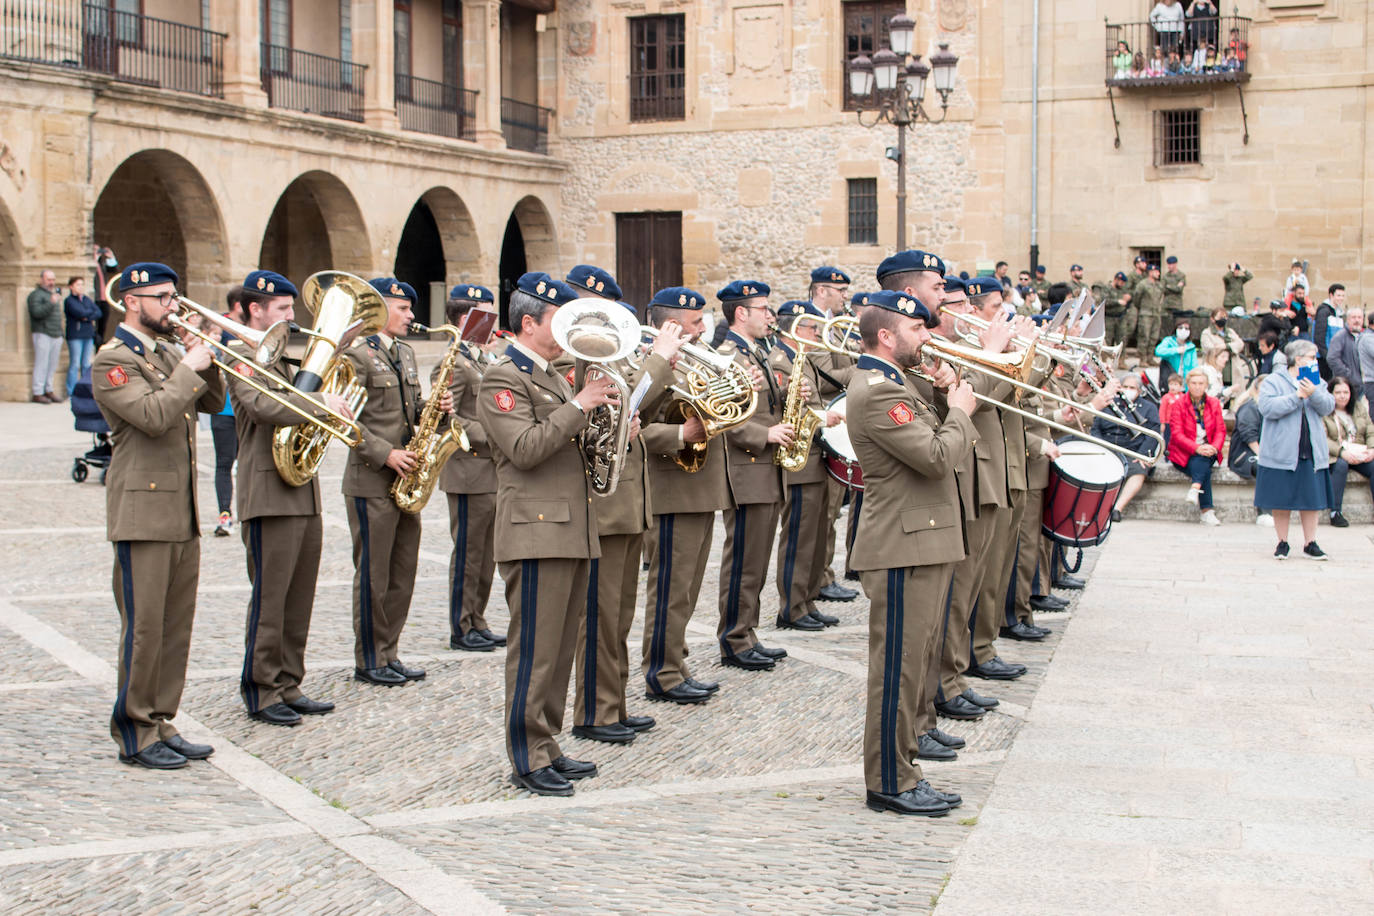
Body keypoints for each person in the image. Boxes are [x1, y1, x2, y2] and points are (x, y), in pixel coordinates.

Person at [477, 271, 617, 797]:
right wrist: (580, 406)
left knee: (559, 650)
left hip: (569, 528)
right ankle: (526, 756)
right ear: (529, 322)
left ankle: (548, 744)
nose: (571, 330)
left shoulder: (553, 374)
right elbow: (526, 449)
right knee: (534, 649)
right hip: (535, 531)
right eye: (562, 320)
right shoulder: (502, 377)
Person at [845, 288, 976, 817]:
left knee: (914, 662)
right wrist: (963, 411)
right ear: (886, 335)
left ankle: (905, 767)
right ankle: (890, 782)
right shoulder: (877, 391)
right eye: (918, 329)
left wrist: (947, 394)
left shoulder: (898, 383)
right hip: (902, 545)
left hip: (920, 539)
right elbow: (937, 456)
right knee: (897, 669)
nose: (928, 335)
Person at [92, 262, 225, 769]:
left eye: (175, 296)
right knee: (144, 626)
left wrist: (210, 352)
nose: (174, 306)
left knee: (175, 626)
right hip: (141, 512)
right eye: (163, 297)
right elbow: (152, 416)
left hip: (180, 509)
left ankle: (161, 717)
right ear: (133, 301)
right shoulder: (113, 361)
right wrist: (190, 366)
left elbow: (211, 401)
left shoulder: (169, 350)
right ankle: (134, 729)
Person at [226, 270, 345, 727]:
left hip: (299, 488)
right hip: (266, 492)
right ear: (254, 310)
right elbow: (264, 407)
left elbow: (299, 394)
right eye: (282, 309)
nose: (292, 318)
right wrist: (321, 404)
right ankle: (260, 688)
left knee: (298, 596)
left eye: (292, 309)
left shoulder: (278, 357)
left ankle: (288, 681)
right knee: (270, 598)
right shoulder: (239, 354)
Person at [569, 270, 682, 747]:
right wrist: (657, 361)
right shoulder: (581, 356)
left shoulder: (612, 354)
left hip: (630, 501)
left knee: (619, 614)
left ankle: (613, 703)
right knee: (599, 615)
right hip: (606, 504)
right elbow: (623, 397)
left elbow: (638, 409)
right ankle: (594, 710)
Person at [343, 278, 444, 686]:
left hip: (407, 480)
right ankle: (370, 658)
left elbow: (409, 411)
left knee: (403, 570)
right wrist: (384, 453)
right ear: (379, 308)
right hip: (371, 479)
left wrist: (436, 409)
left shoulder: (403, 352)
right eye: (402, 307)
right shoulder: (358, 356)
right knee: (373, 574)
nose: (410, 315)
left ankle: (390, 650)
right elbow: (344, 419)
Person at [639, 287, 729, 706]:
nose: (702, 328)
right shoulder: (648, 364)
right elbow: (634, 426)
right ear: (671, 325)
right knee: (671, 589)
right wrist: (682, 434)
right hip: (672, 489)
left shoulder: (696, 361)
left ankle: (677, 660)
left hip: (699, 487)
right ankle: (662, 671)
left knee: (688, 589)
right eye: (694, 322)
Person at [714, 280, 792, 671]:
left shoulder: (756, 352)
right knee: (744, 559)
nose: (769, 315)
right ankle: (734, 637)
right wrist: (765, 434)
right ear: (741, 313)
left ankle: (748, 631)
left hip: (764, 469)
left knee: (757, 559)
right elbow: (722, 416)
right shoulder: (727, 355)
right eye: (763, 308)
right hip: (746, 469)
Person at [437, 284, 505, 653]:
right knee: (468, 553)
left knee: (487, 554)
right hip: (467, 470)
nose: (493, 323)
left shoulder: (480, 358)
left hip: (489, 472)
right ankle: (461, 626)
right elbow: (447, 418)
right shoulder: (453, 361)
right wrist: (494, 435)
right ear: (466, 319)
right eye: (486, 315)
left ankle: (477, 619)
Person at [769, 300, 842, 631]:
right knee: (798, 535)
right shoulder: (779, 360)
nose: (818, 333)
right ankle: (792, 606)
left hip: (815, 455)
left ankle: (808, 599)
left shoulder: (801, 357)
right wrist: (821, 416)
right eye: (813, 328)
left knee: (814, 535)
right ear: (797, 329)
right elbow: (786, 410)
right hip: (799, 460)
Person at [1256, 340, 1336, 559]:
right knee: (1281, 499)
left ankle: (1311, 542)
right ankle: (1282, 542)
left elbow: (1328, 406)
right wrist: (1296, 397)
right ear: (1298, 358)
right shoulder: (1274, 381)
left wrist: (1314, 393)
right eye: (1312, 357)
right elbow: (1267, 408)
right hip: (1282, 451)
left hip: (1310, 449)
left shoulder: (1316, 380)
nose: (1315, 361)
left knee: (1311, 500)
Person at [1093, 373, 1161, 521]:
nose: (1128, 390)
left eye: (1132, 387)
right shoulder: (1108, 402)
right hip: (1106, 448)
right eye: (1125, 387)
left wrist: (1142, 453)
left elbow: (1153, 432)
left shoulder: (1149, 407)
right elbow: (1095, 427)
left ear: (1139, 390)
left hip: (1132, 450)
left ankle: (1117, 508)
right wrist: (1100, 448)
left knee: (1139, 469)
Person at [1163, 367, 1225, 526]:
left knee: (1203, 458)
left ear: (1206, 385)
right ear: (1188, 385)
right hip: (1183, 453)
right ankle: (1207, 511)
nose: (1197, 386)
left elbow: (1220, 431)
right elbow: (1176, 434)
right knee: (1202, 464)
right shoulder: (1179, 404)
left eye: (1201, 383)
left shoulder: (1214, 403)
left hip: (1208, 449)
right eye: (1194, 383)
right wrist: (1197, 448)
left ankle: (1195, 489)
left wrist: (1215, 447)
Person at [1322, 376, 1374, 528]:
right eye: (1338, 392)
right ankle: (1335, 511)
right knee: (1341, 466)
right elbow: (1323, 438)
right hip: (1336, 454)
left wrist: (1372, 448)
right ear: (1331, 393)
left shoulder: (1358, 408)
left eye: (1346, 392)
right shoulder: (1324, 411)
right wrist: (1341, 452)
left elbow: (1370, 430)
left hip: (1359, 450)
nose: (1342, 396)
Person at [29, 269, 64, 403]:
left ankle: (49, 390)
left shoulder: (52, 294)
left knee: (52, 364)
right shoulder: (36, 295)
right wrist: (51, 302)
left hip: (56, 333)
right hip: (43, 332)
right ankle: (37, 392)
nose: (51, 282)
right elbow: (36, 313)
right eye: (49, 279)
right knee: (41, 363)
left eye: (53, 280)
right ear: (41, 280)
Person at [64, 276, 101, 397]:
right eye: (78, 284)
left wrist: (87, 316)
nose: (80, 287)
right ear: (71, 287)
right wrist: (88, 314)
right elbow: (79, 312)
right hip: (76, 335)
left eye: (82, 284)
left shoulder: (86, 299)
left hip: (88, 334)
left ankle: (85, 389)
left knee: (86, 364)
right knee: (75, 364)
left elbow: (98, 312)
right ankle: (72, 391)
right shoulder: (69, 300)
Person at [1327, 307, 1366, 393]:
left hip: (1363, 386)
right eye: (1354, 317)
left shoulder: (1364, 337)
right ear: (1348, 320)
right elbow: (1332, 358)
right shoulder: (1340, 337)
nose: (1357, 320)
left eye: (1359, 317)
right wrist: (1348, 375)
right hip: (1346, 388)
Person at [1135, 264, 1166, 363]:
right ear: (1151, 272)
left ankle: (1150, 357)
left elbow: (1161, 297)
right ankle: (1142, 359)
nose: (1159, 274)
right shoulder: (1142, 284)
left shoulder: (1159, 285)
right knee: (1144, 336)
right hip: (1146, 314)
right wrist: (1142, 308)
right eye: (1157, 271)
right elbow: (1136, 299)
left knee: (1154, 337)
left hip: (1156, 314)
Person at [1314, 283, 1344, 379]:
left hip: (1333, 357)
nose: (1341, 298)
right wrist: (1327, 357)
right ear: (1331, 295)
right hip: (1324, 358)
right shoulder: (1324, 311)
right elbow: (1319, 337)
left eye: (1343, 296)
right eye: (1338, 295)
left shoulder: (1338, 313)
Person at [1162, 256, 1188, 332]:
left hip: (1177, 304)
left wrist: (1168, 286)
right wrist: (1174, 287)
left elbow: (1179, 289)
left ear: (1175, 264)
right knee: (1165, 324)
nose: (1169, 266)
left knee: (1178, 323)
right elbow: (1163, 289)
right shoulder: (1165, 276)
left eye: (1171, 264)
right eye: (1168, 264)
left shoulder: (1181, 275)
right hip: (1166, 304)